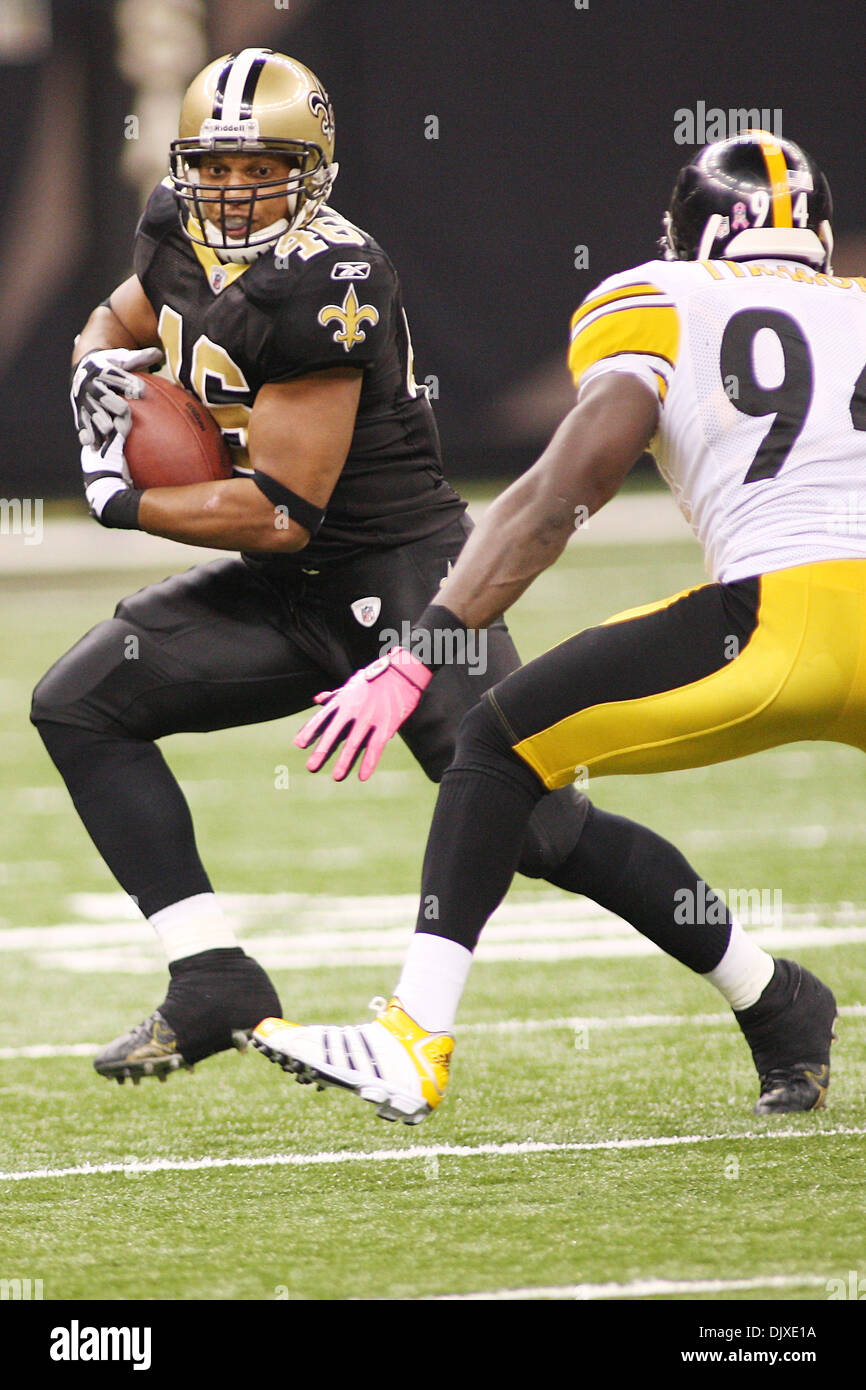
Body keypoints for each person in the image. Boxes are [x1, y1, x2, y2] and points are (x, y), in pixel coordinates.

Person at [30, 48, 751, 1086]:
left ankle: (767, 991)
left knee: (544, 831)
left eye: (260, 167)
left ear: (312, 167)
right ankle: (211, 978)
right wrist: (94, 359)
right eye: (213, 167)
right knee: (81, 702)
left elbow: (280, 512)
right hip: (291, 588)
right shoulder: (172, 226)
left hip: (404, 578)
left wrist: (125, 499)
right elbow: (126, 314)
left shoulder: (331, 279)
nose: (232, 191)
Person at [253, 129, 846, 1124]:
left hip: (775, 618)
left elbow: (564, 489)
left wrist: (423, 645)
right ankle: (777, 1003)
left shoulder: (662, 296)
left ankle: (411, 1036)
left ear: (691, 236)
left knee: (492, 738)